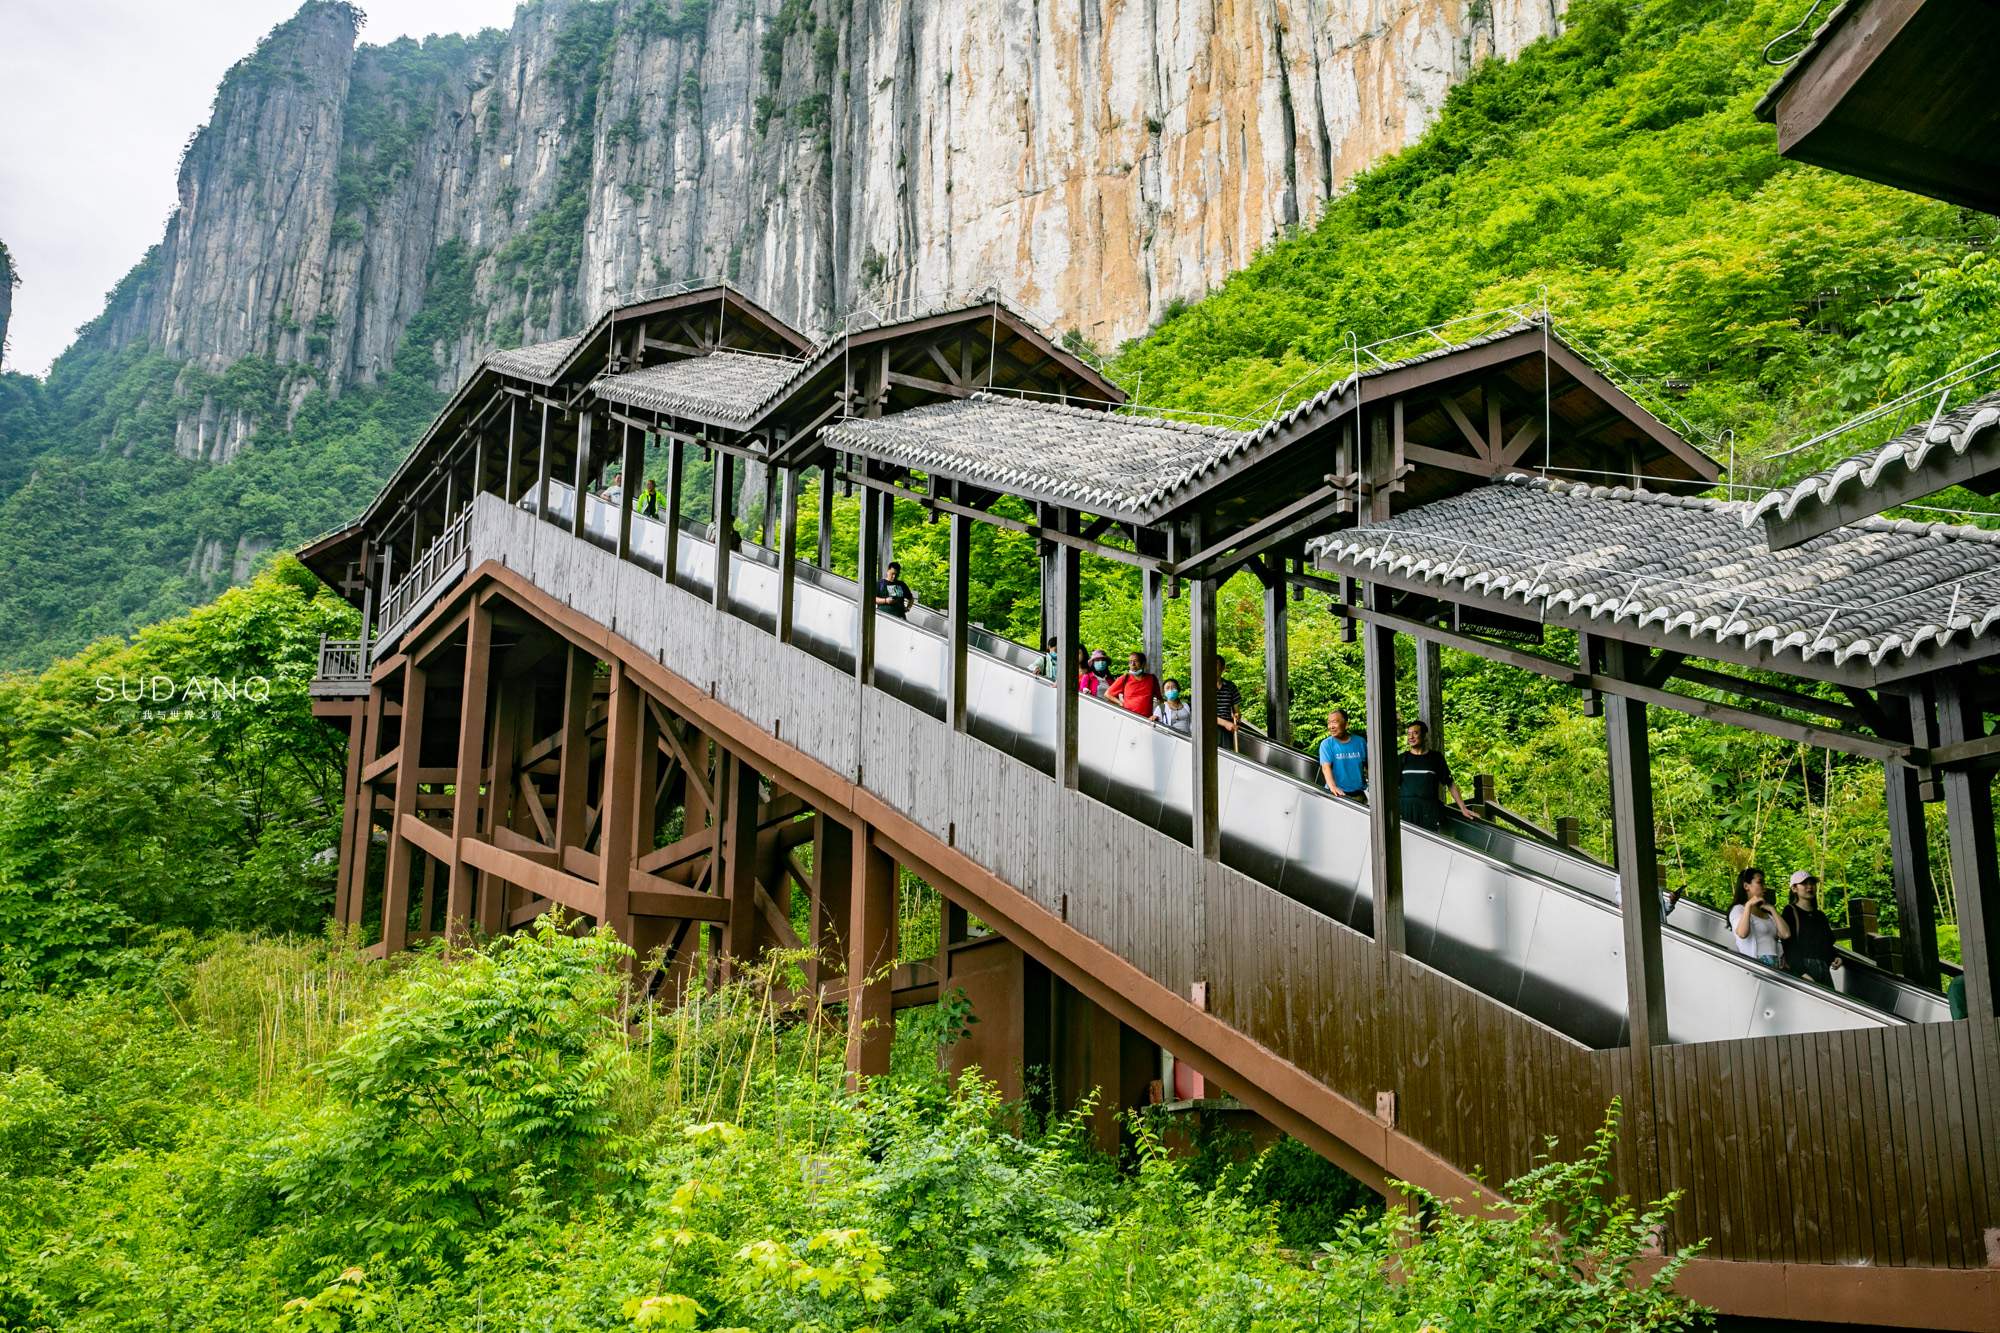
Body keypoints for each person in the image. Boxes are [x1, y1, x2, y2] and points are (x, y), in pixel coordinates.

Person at [1398, 720, 1475, 829]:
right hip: (1406, 808)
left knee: (1428, 838)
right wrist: (1394, 810)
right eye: (1408, 734)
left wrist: (1463, 808)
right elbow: (1392, 787)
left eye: (1415, 733)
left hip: (1428, 809)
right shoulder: (1402, 758)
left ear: (1425, 736)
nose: (1410, 737)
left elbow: (1450, 784)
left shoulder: (1436, 758)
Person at [1781, 870, 1840, 986]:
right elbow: (1789, 945)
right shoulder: (1790, 911)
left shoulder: (1820, 915)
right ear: (1794, 888)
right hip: (1802, 968)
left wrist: (1836, 956)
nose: (1809, 887)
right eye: (1804, 883)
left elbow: (1827, 943)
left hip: (1823, 968)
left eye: (1812, 883)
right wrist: (1802, 972)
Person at [1729, 867, 1789, 967]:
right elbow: (1742, 933)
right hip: (1755, 964)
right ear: (1746, 886)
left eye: (1764, 883)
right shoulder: (1738, 909)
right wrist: (1748, 905)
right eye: (1760, 882)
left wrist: (1772, 909)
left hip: (1774, 964)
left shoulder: (1766, 911)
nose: (1764, 887)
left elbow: (1785, 934)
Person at [1318, 709, 1367, 799]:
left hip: (1358, 794)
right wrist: (1333, 787)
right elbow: (1325, 767)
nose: (1331, 726)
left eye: (1334, 722)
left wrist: (1373, 783)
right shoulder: (1326, 744)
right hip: (1336, 795)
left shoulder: (1360, 742)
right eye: (1329, 723)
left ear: (1346, 725)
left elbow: (1369, 765)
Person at [1107, 652, 1163, 718]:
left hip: (1146, 719)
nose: (1133, 664)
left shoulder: (1152, 678)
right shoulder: (1124, 678)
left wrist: (1158, 714)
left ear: (1143, 663)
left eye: (1136, 661)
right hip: (1128, 717)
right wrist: (1120, 703)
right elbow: (1107, 694)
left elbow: (1159, 699)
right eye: (1130, 662)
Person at [1212, 661, 1242, 752]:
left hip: (1227, 730)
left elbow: (1236, 711)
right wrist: (1225, 723)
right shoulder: (1204, 686)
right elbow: (1204, 714)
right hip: (1211, 728)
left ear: (1222, 668)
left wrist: (1237, 715)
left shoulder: (1230, 686)